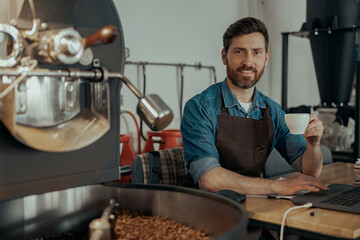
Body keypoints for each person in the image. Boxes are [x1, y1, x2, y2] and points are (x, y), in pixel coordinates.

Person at [180, 17, 328, 196]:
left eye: (256, 52)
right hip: (209, 211)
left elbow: (310, 172)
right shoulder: (200, 108)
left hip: (256, 207)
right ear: (224, 56)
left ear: (266, 58)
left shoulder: (272, 111)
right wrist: (278, 186)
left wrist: (314, 145)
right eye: (239, 52)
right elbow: (209, 181)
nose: (248, 61)